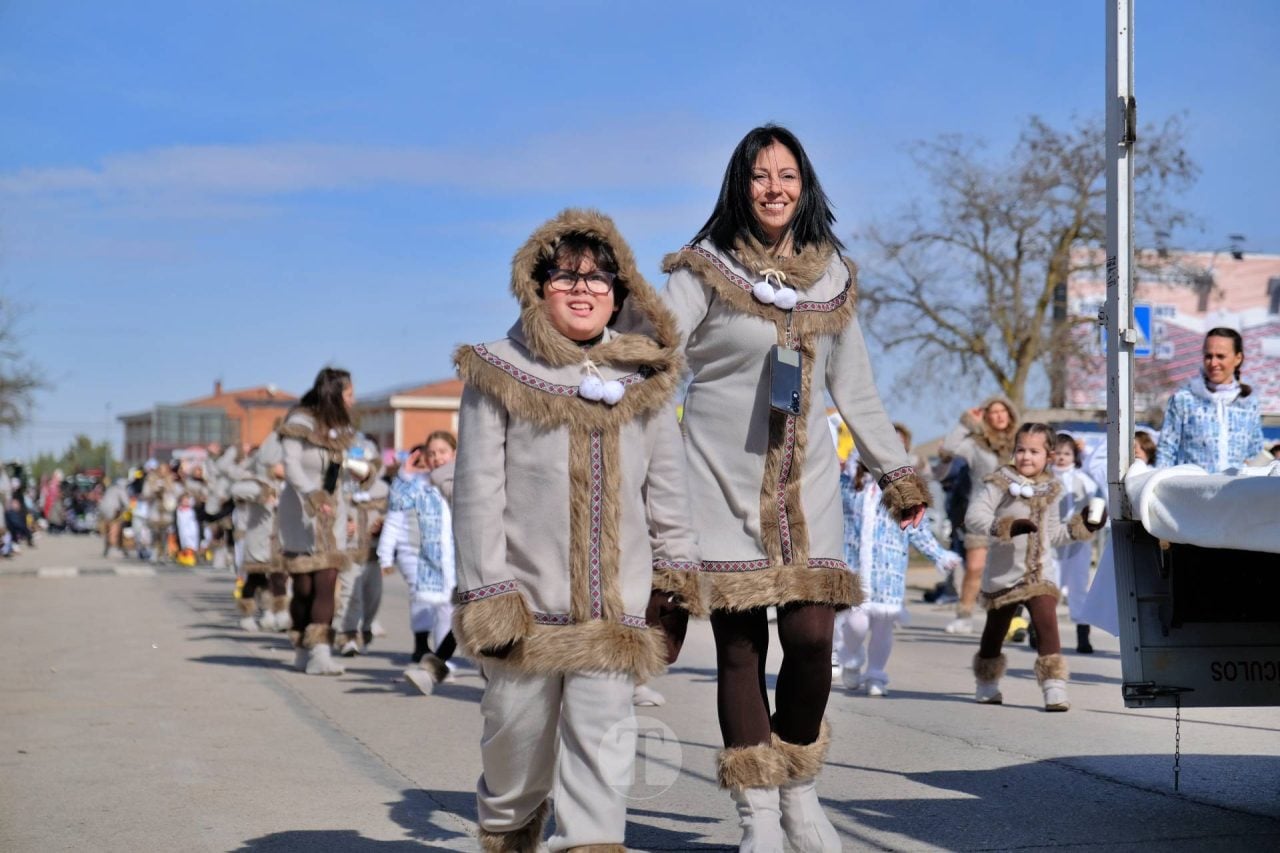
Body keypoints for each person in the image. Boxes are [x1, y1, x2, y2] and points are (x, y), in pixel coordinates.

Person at [661, 125, 927, 850]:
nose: (773, 188)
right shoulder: (703, 268)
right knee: (740, 649)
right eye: (760, 175)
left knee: (811, 638)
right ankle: (759, 817)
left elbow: (855, 387)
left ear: (804, 185)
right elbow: (654, 355)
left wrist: (895, 471)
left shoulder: (832, 274)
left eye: (786, 175)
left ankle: (799, 784)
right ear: (739, 185)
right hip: (718, 480)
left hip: (806, 489)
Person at [451, 209, 700, 851]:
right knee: (515, 751)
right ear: (538, 286)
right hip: (525, 608)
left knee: (602, 758)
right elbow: (477, 491)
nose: (583, 289)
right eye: (566, 276)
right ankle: (507, 830)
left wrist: (675, 580)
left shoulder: (645, 378)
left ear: (619, 292)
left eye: (598, 278)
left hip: (615, 612)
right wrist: (488, 593)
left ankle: (591, 841)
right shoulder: (497, 369)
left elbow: (667, 489)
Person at [965, 423, 1104, 711]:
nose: (1026, 457)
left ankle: (1054, 687)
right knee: (995, 631)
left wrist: (1084, 525)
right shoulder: (1000, 482)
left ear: (1048, 456)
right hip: (1004, 574)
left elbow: (1054, 535)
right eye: (1021, 450)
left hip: (1040, 573)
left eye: (1034, 451)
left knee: (1047, 623)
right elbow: (974, 516)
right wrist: (1006, 526)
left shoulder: (1051, 489)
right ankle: (987, 683)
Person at [835, 425, 962, 697]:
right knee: (855, 624)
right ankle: (851, 657)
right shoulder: (848, 481)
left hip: (889, 570)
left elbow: (918, 529)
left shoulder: (907, 489)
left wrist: (939, 555)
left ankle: (876, 675)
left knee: (883, 627)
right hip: (854, 566)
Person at [277, 367, 376, 676]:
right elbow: (291, 464)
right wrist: (311, 494)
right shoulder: (300, 421)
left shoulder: (343, 428)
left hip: (333, 514)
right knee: (303, 586)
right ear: (334, 393)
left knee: (328, 578)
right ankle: (301, 648)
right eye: (349, 394)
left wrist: (365, 470)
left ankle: (321, 653)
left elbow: (355, 461)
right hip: (300, 512)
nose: (353, 400)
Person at [378, 442, 456, 694]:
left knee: (447, 605)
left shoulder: (461, 481)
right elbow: (394, 516)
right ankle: (422, 647)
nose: (437, 458)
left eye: (443, 452)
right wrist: (385, 556)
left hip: (449, 555)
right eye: (431, 453)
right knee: (421, 598)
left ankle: (441, 658)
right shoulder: (414, 483)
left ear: (454, 454)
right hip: (414, 553)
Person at [938, 396, 1019, 635]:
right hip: (981, 513)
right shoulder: (975, 444)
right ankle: (964, 616)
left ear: (1010, 414)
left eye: (1003, 411)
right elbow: (947, 451)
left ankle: (1010, 621)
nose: (999, 416)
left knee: (1011, 571)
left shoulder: (1020, 443)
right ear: (985, 416)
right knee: (975, 567)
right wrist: (965, 423)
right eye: (993, 412)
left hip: (1012, 513)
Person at [1156, 327, 1265, 472]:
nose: (1213, 363)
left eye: (1221, 356)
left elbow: (1255, 453)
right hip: (1193, 485)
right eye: (1208, 356)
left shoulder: (1249, 403)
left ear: (1238, 358)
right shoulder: (1184, 399)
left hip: (1235, 485)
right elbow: (1166, 451)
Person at [1051, 433, 1102, 654]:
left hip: (1079, 541)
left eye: (1067, 453)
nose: (1062, 458)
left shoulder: (1084, 478)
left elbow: (1096, 470)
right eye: (1058, 453)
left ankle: (1083, 635)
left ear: (1075, 456)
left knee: (1079, 586)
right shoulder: (1045, 478)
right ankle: (1039, 631)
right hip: (1052, 540)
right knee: (1050, 585)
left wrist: (1085, 449)